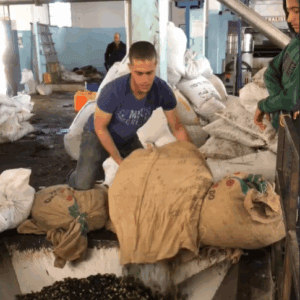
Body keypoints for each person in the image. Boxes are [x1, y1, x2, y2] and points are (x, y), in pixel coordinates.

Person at [68, 41, 192, 190]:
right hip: (97, 134)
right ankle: (75, 175)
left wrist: (192, 155)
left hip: (127, 138)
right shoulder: (113, 91)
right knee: (83, 183)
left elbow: (177, 127)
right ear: (130, 68)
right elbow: (100, 127)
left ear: (155, 66)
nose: (145, 80)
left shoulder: (162, 90)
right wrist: (118, 160)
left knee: (145, 175)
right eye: (139, 73)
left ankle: (98, 167)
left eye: (149, 73)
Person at [254, 0, 299, 131]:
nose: (290, 19)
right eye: (288, 11)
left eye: (297, 11)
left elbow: (292, 100)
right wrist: (279, 103)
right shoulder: (296, 42)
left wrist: (265, 105)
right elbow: (270, 71)